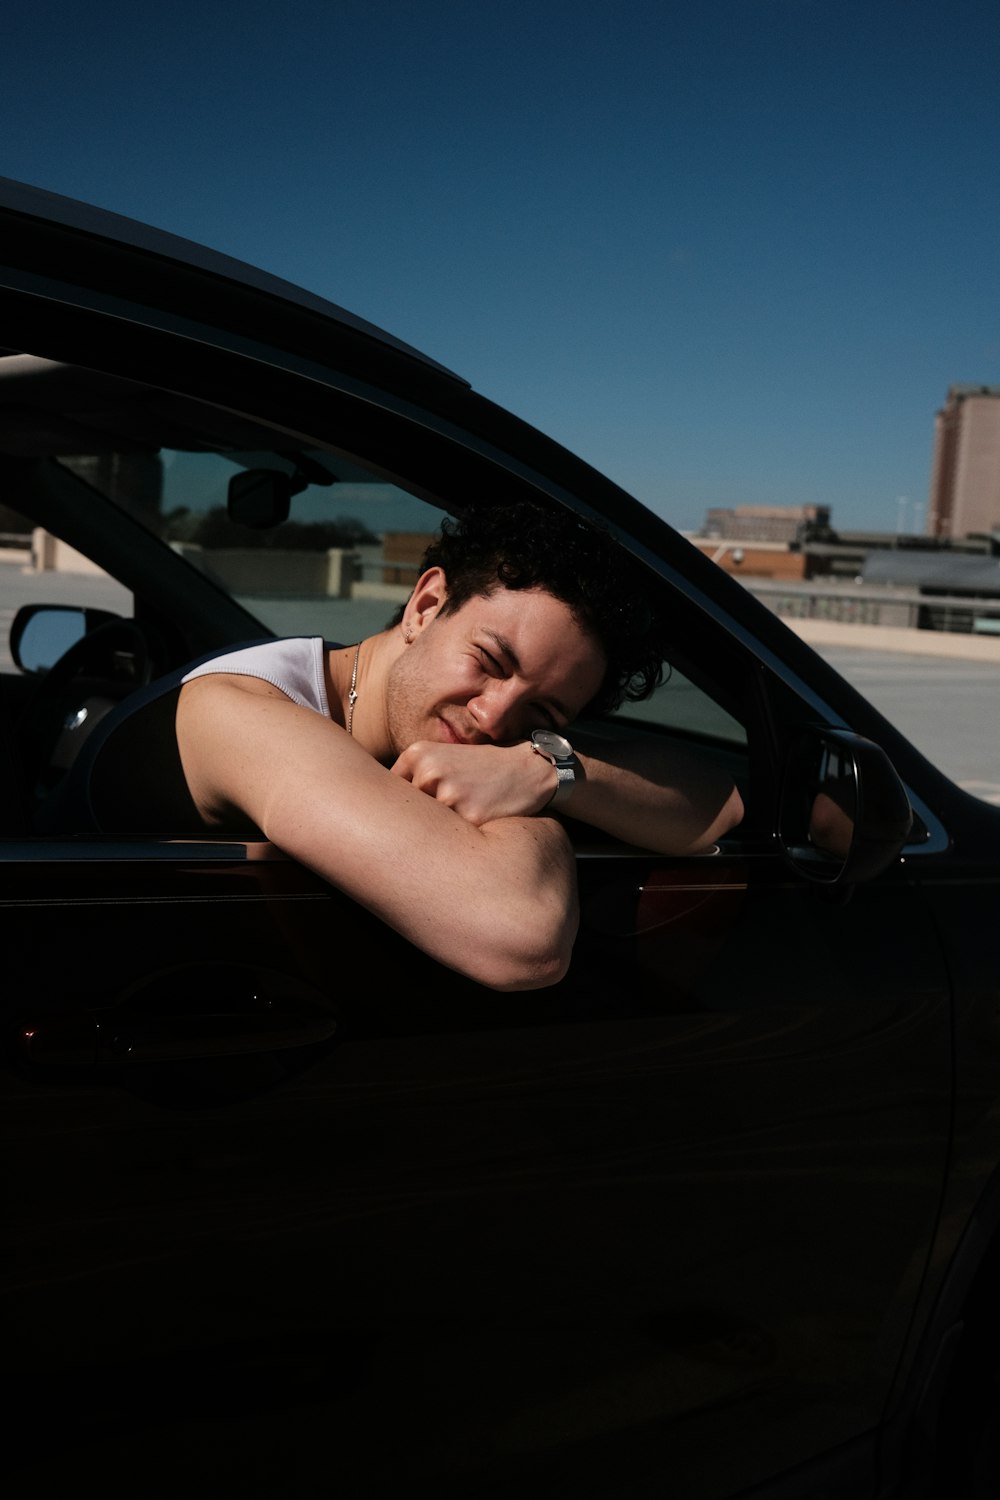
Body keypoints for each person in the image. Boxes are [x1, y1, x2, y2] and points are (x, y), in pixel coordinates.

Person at [49, 501, 743, 991]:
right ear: (425, 605)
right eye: (491, 660)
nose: (494, 715)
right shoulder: (235, 715)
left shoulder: (478, 727)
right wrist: (537, 796)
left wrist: (552, 770)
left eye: (544, 709)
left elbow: (720, 806)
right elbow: (521, 939)